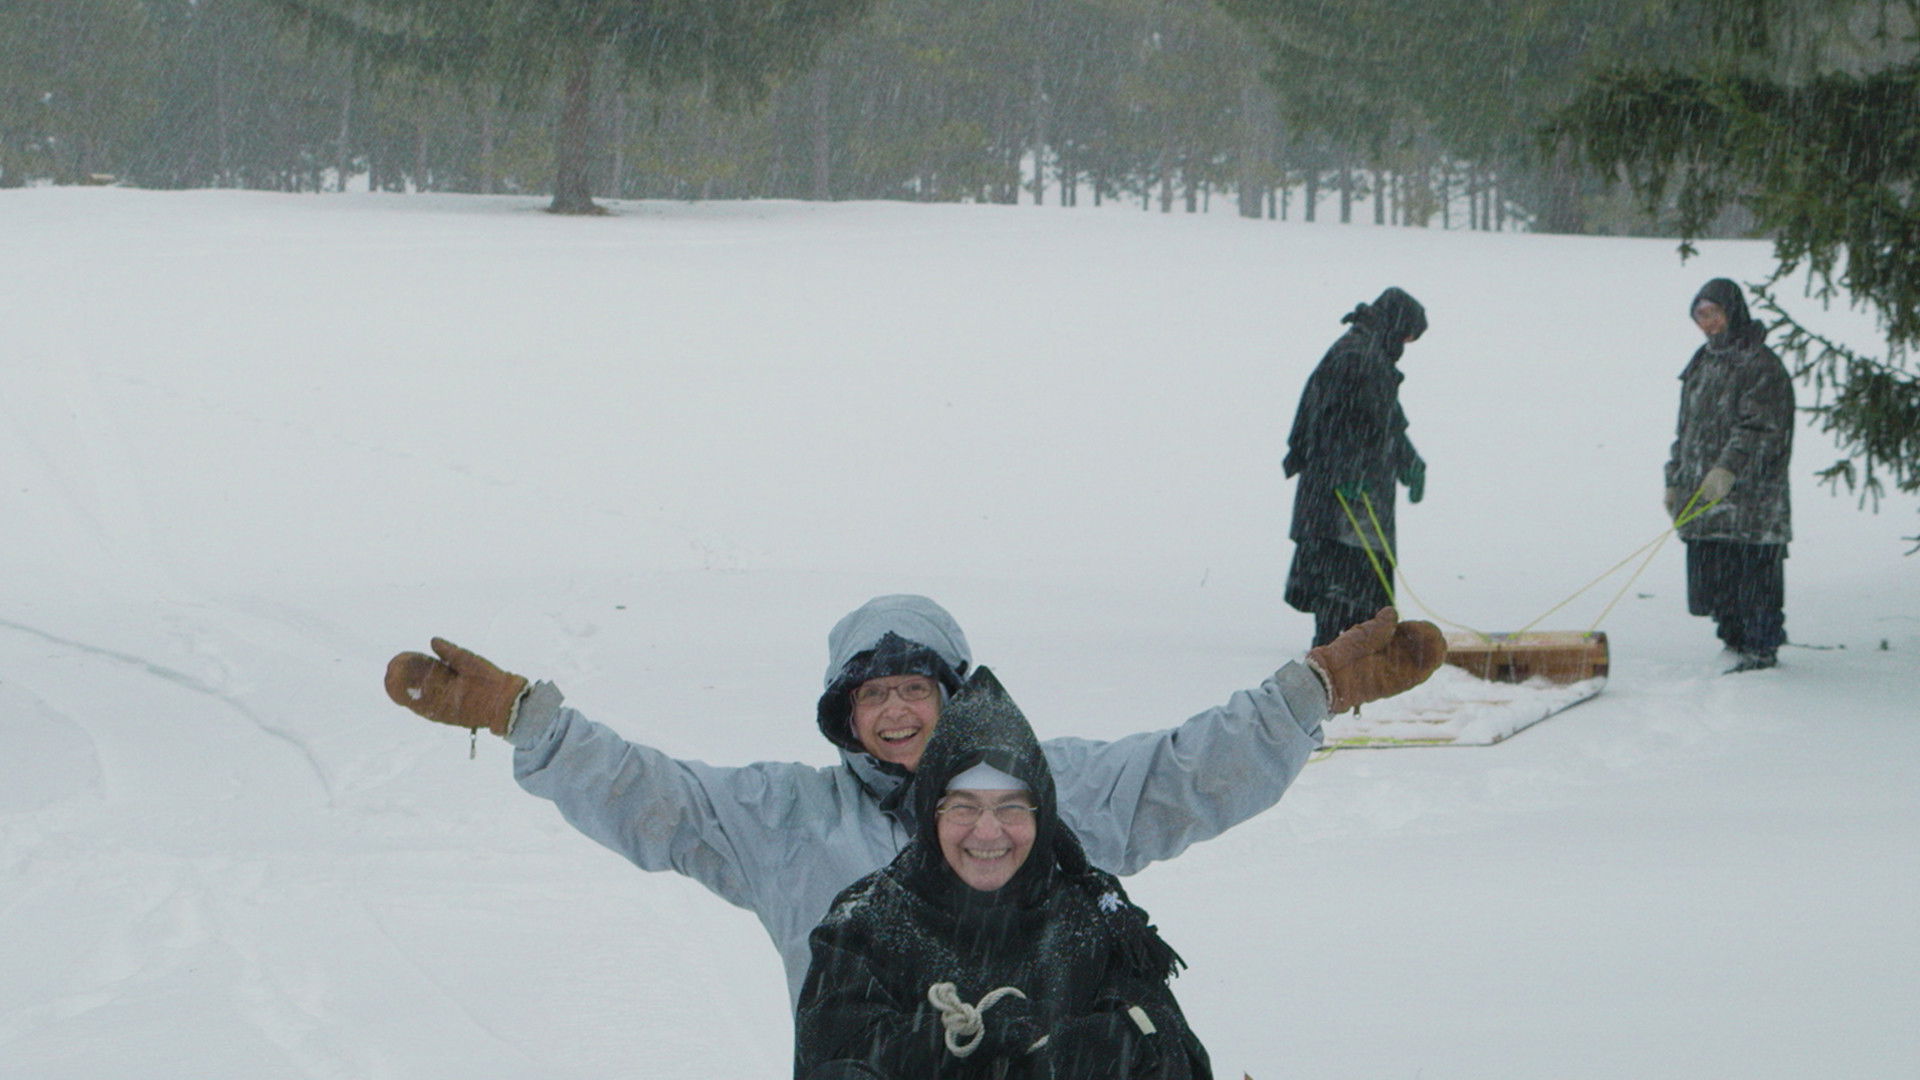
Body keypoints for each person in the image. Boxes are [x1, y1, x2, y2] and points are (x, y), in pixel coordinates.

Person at [383, 594, 1444, 1009]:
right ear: (846, 715)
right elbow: (652, 796)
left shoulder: (1039, 793)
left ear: (955, 697)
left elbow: (1182, 774)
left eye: (917, 688)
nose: (897, 712)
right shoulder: (787, 821)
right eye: (873, 694)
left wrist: (1311, 692)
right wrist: (526, 718)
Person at [795, 666, 1210, 1080]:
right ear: (931, 813)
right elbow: (833, 1061)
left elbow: (1174, 1055)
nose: (988, 831)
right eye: (963, 807)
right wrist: (949, 1046)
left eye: (1011, 807)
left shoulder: (1090, 917)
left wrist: (1079, 1053)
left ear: (1041, 815)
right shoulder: (866, 923)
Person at [1284, 287, 1431, 647]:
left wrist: (1409, 461)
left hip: (1357, 491)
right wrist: (1345, 474)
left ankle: (1352, 651)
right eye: (1408, 337)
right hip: (1341, 498)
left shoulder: (1369, 354)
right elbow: (1332, 425)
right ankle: (1335, 658)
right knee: (1344, 586)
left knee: (1360, 588)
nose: (1405, 346)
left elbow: (1385, 422)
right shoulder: (1356, 356)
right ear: (1397, 327)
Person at [1664, 278, 1795, 672]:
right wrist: (1674, 478)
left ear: (1732, 312)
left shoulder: (1759, 363)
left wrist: (1727, 469)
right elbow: (1686, 429)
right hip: (1704, 494)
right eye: (1701, 315)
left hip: (1752, 499)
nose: (1708, 323)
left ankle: (1761, 649)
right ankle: (1733, 642)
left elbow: (1762, 427)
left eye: (1714, 313)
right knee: (1718, 577)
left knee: (1753, 576)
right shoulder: (1702, 362)